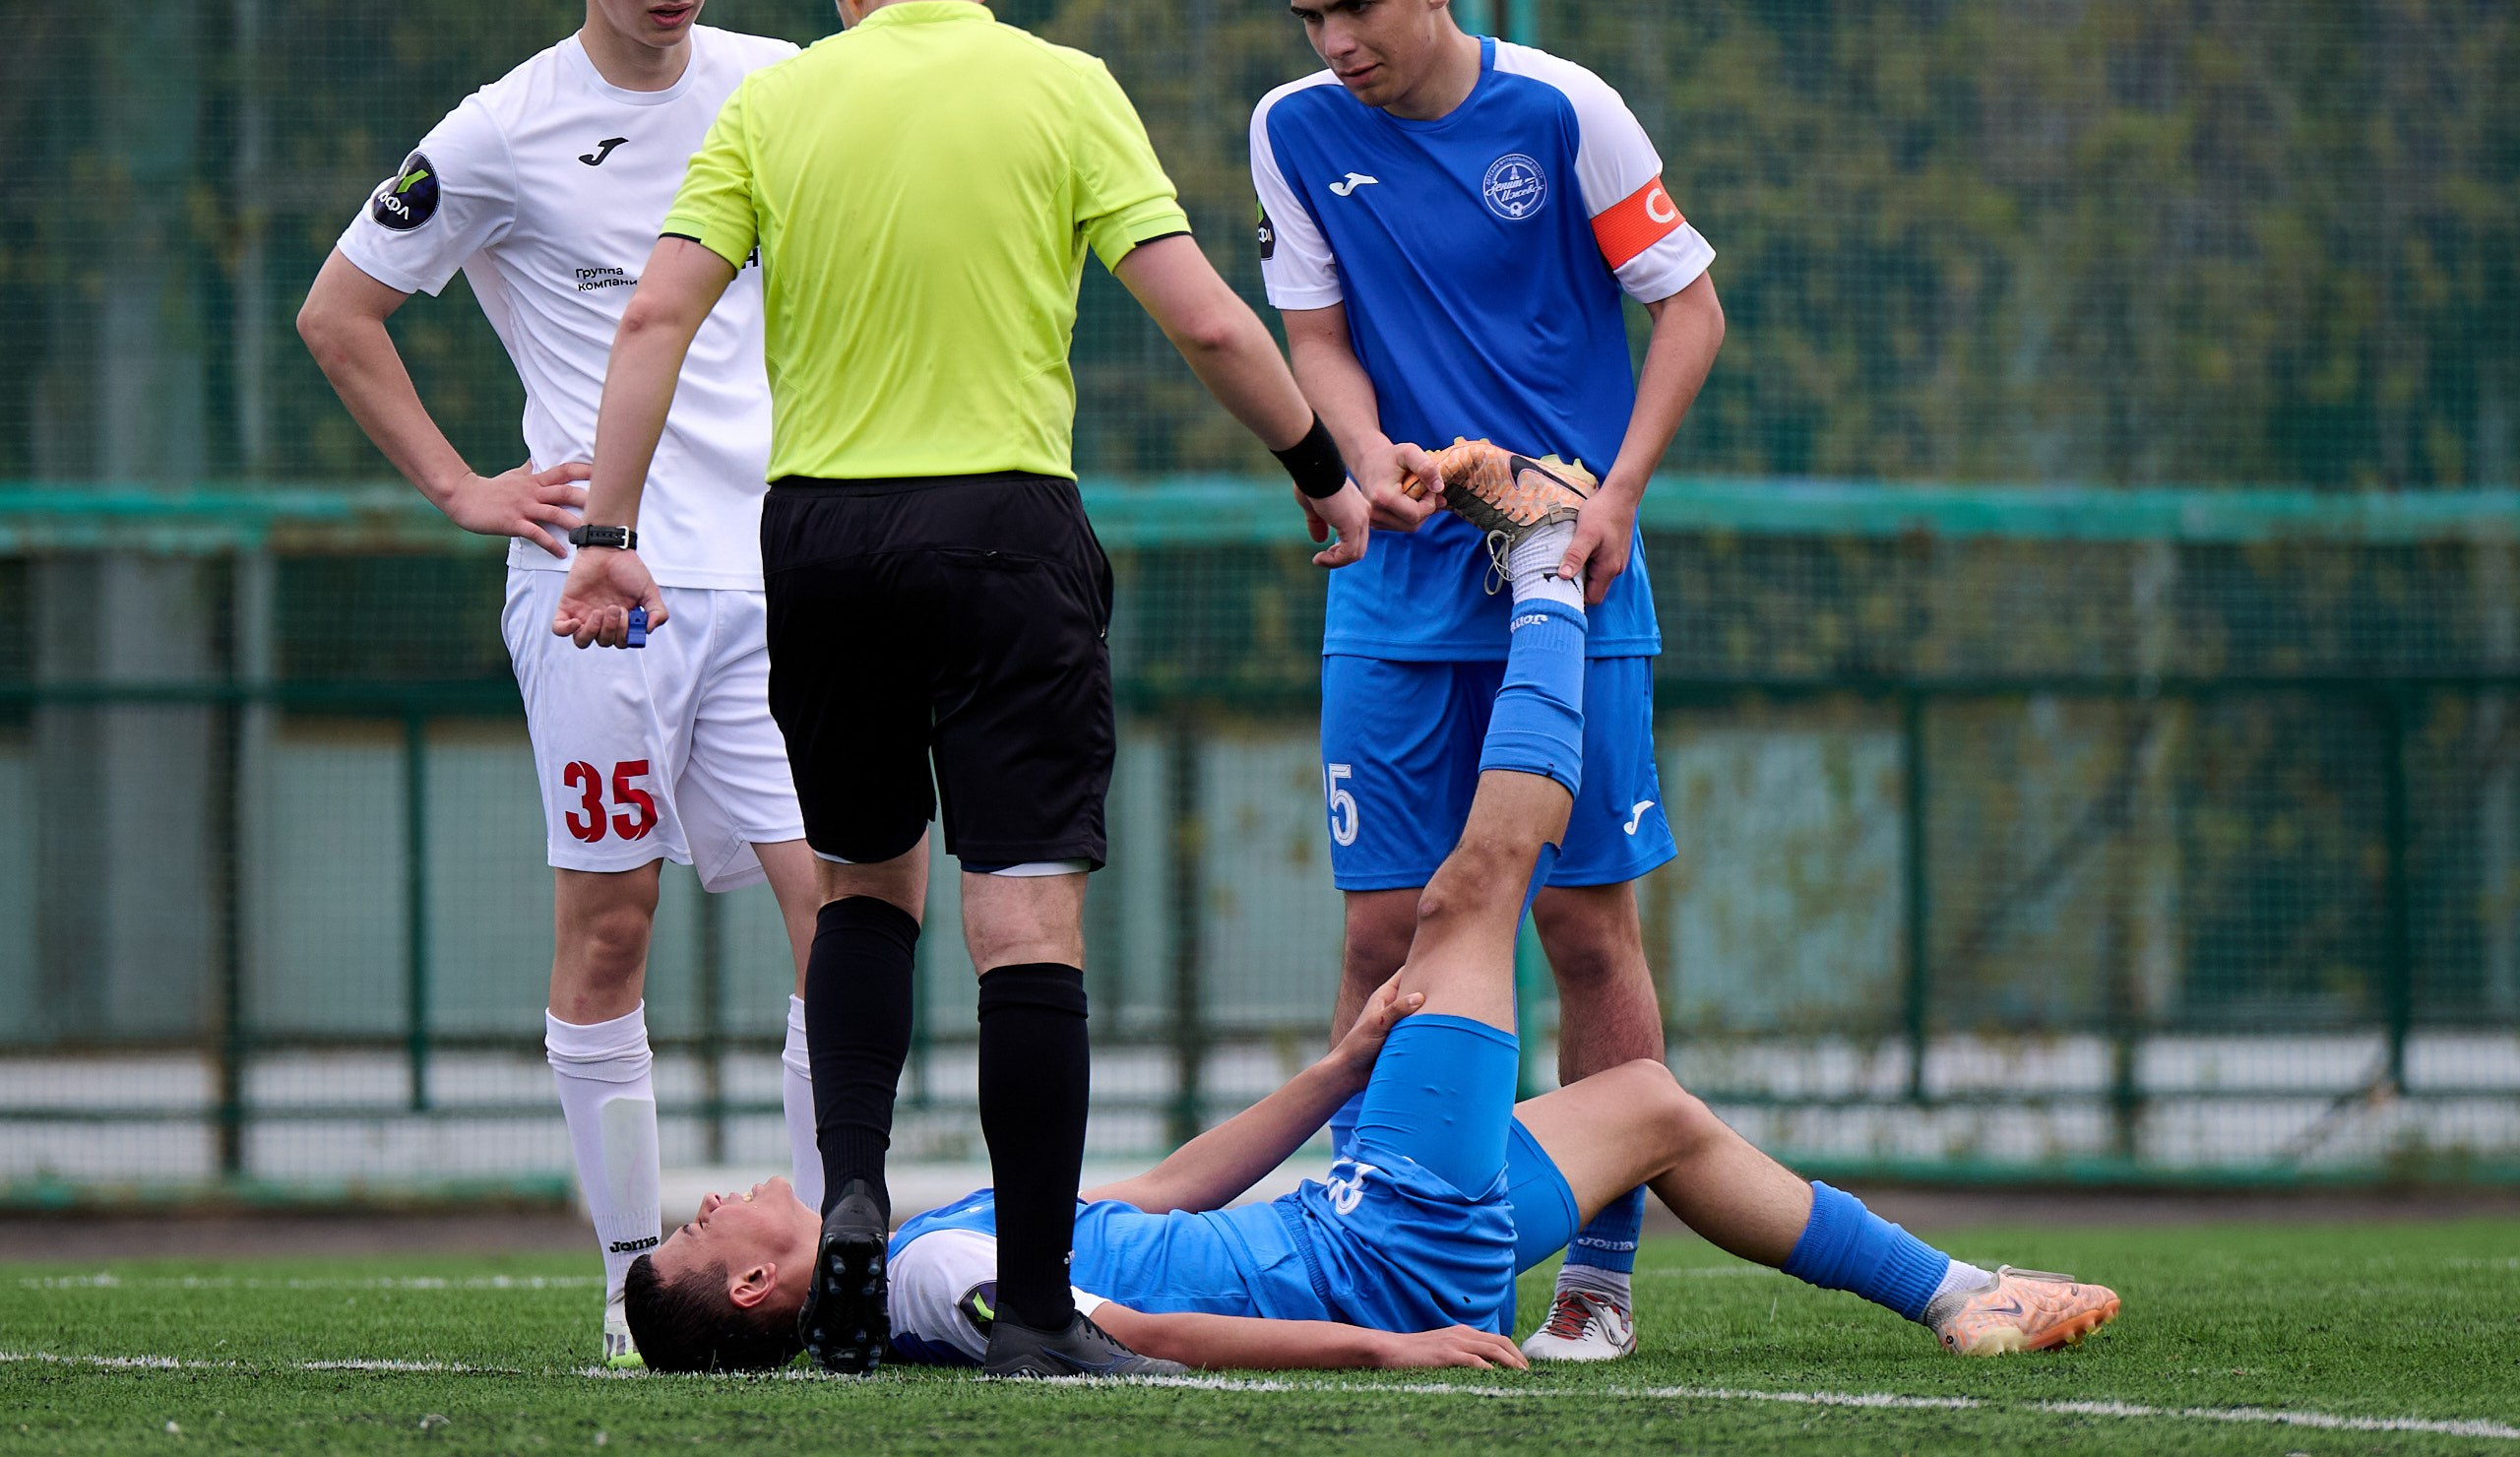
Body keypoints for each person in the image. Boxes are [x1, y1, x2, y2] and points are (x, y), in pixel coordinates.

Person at [623, 449, 2121, 1373]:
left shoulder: (931, 1261)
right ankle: (1547, 566)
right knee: (1476, 891)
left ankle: (1956, 1297)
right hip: (1384, 1250)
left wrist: (1332, 1079)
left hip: (1387, 1228)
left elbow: (1163, 1195)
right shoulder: (940, 1282)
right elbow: (1145, 1336)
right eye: (706, 1231)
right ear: (757, 1280)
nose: (719, 1197)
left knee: (1651, 1102)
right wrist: (1381, 1345)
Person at [555, 0, 1375, 1380]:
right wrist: (1321, 468)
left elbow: (658, 311)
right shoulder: (1062, 85)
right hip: (1004, 528)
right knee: (1024, 922)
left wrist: (607, 534)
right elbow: (1203, 311)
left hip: (820, 537)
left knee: (869, 886)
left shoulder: (776, 102)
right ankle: (1043, 1308)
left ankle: (850, 1182)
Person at [292, 0, 828, 1369]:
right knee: (609, 924)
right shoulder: (501, 128)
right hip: (605, 594)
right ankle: (630, 1279)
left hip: (780, 582)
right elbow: (339, 316)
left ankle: (820, 1248)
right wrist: (466, 487)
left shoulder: (782, 84)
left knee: (845, 912)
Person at [1245, 0, 1731, 1362]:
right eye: (1312, 14)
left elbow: (1691, 307)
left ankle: (1600, 1273)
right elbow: (1311, 334)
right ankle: (1364, 1235)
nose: (1336, 40)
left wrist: (1619, 494)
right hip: (1392, 586)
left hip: (1566, 580)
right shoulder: (1290, 131)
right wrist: (1355, 458)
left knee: (1585, 926)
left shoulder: (1564, 110)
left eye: (1361, 5)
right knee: (1385, 926)